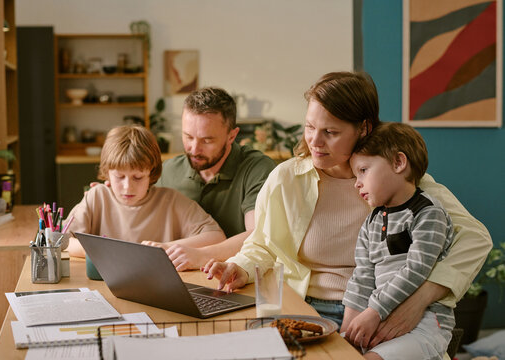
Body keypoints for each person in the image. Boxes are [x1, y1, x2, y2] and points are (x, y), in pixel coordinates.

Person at [203, 72, 492, 348]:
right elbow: (263, 244)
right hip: (304, 310)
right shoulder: (286, 178)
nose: (314, 141)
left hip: (379, 312)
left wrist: (419, 300)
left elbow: (476, 238)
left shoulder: (397, 179)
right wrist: (239, 267)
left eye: (330, 132)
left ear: (364, 128)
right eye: (309, 127)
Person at [341, 122, 454, 359]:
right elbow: (363, 275)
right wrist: (347, 334)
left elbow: (415, 270)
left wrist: (375, 311)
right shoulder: (371, 221)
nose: (356, 183)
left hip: (424, 325)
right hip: (380, 320)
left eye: (363, 170)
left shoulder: (428, 213)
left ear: (398, 163)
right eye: (354, 175)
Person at [155, 87, 277, 270]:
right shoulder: (168, 171)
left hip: (237, 281)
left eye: (207, 140)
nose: (194, 149)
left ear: (232, 136)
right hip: (177, 279)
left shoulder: (258, 169)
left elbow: (257, 235)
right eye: (188, 137)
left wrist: (201, 256)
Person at [66, 125, 225, 259]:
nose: (128, 187)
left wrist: (166, 247)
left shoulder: (171, 201)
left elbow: (216, 236)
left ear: (151, 173)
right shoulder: (97, 196)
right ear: (107, 173)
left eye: (138, 177)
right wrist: (112, 251)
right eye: (119, 177)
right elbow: (63, 241)